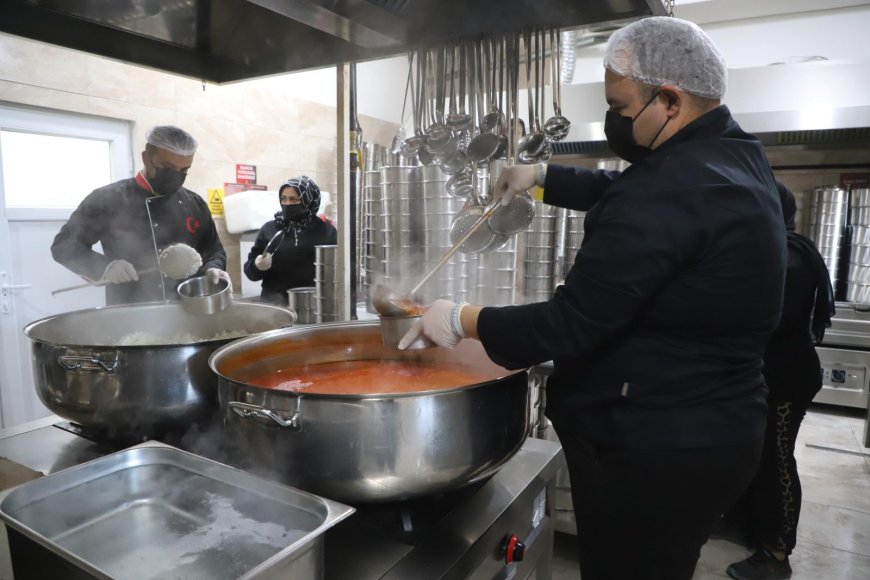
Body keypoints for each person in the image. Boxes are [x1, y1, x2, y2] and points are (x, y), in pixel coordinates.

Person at [399, 16, 787, 580]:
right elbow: (630, 190)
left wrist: (460, 318)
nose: (614, 120)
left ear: (670, 101)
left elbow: (567, 326)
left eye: (621, 107)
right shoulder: (728, 156)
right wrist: (540, 176)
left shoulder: (674, 186)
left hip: (653, 446)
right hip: (712, 429)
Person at [716, 183, 834, 580]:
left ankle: (776, 552)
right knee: (753, 454)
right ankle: (747, 525)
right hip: (767, 373)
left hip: (786, 377)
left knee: (776, 460)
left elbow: (774, 319)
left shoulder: (791, 256)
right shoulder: (775, 250)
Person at [52, 125, 230, 305]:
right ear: (146, 157)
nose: (176, 176)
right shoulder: (108, 198)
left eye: (184, 171)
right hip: (129, 309)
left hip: (187, 307)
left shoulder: (195, 203)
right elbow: (64, 245)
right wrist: (105, 267)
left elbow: (213, 250)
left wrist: (213, 268)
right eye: (168, 167)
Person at [243, 176, 337, 306]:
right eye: (284, 199)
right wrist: (257, 266)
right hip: (274, 306)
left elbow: (337, 271)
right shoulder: (269, 229)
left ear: (308, 200)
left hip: (314, 305)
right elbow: (250, 273)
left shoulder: (326, 231)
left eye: (294, 199)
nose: (287, 204)